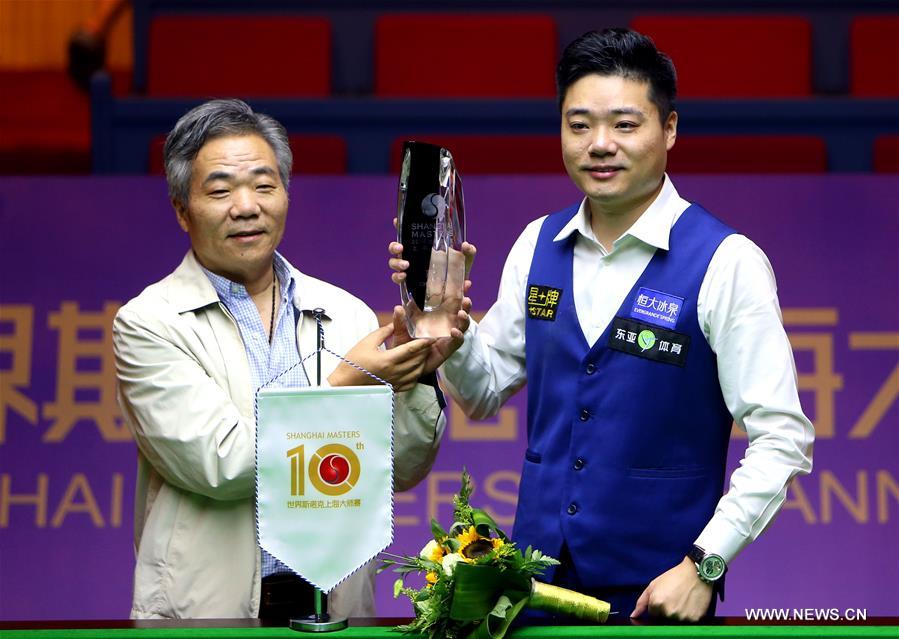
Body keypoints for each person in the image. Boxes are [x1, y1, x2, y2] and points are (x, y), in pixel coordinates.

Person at [388, 28, 814, 621]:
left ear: (669, 129)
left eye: (624, 124)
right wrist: (442, 325)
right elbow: (482, 392)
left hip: (658, 599)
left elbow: (782, 437)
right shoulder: (537, 243)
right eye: (579, 124)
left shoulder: (726, 261)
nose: (599, 144)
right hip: (529, 592)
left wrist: (704, 566)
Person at [114, 99, 446, 620]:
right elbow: (222, 464)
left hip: (332, 609)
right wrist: (345, 385)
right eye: (220, 190)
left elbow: (399, 469)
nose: (246, 206)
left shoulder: (344, 312)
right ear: (182, 210)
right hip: (207, 614)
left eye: (264, 186)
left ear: (286, 195)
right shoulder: (150, 322)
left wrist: (420, 370)